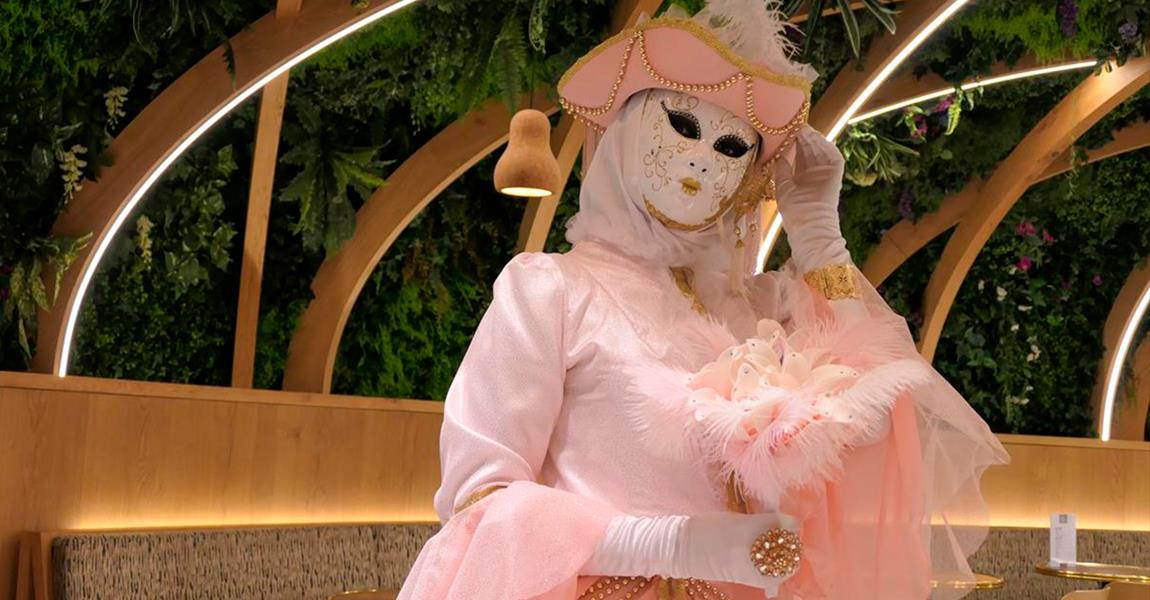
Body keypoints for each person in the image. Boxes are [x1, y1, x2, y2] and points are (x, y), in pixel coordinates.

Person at [398, 2, 1007, 598]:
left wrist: (822, 243)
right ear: (629, 129)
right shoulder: (552, 290)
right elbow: (480, 501)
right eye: (684, 125)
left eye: (733, 147)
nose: (703, 157)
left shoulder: (754, 311)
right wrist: (672, 544)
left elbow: (881, 417)